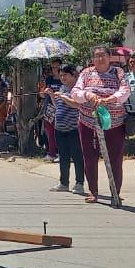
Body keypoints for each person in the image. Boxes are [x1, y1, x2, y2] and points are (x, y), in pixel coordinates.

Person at [72, 45, 131, 204]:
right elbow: (75, 92)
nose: (100, 58)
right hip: (88, 121)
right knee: (89, 157)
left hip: (114, 122)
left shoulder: (118, 72)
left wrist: (109, 99)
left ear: (109, 57)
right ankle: (93, 191)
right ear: (93, 59)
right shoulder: (86, 73)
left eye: (103, 55)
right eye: (97, 55)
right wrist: (88, 95)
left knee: (115, 159)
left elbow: (125, 91)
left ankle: (115, 193)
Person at [47, 65, 85, 194]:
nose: (62, 78)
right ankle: (64, 182)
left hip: (74, 128)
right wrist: (52, 95)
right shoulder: (62, 88)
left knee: (77, 156)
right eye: (61, 75)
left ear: (73, 74)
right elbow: (58, 105)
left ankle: (79, 183)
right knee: (63, 156)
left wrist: (63, 96)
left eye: (65, 75)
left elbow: (77, 104)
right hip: (60, 127)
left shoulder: (78, 89)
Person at [41, 58, 64, 161]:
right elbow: (41, 95)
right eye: (53, 67)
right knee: (49, 131)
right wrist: (44, 91)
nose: (55, 69)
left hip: (61, 107)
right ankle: (51, 153)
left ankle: (61, 152)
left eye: (57, 67)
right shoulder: (49, 79)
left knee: (59, 131)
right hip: (49, 107)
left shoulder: (63, 79)